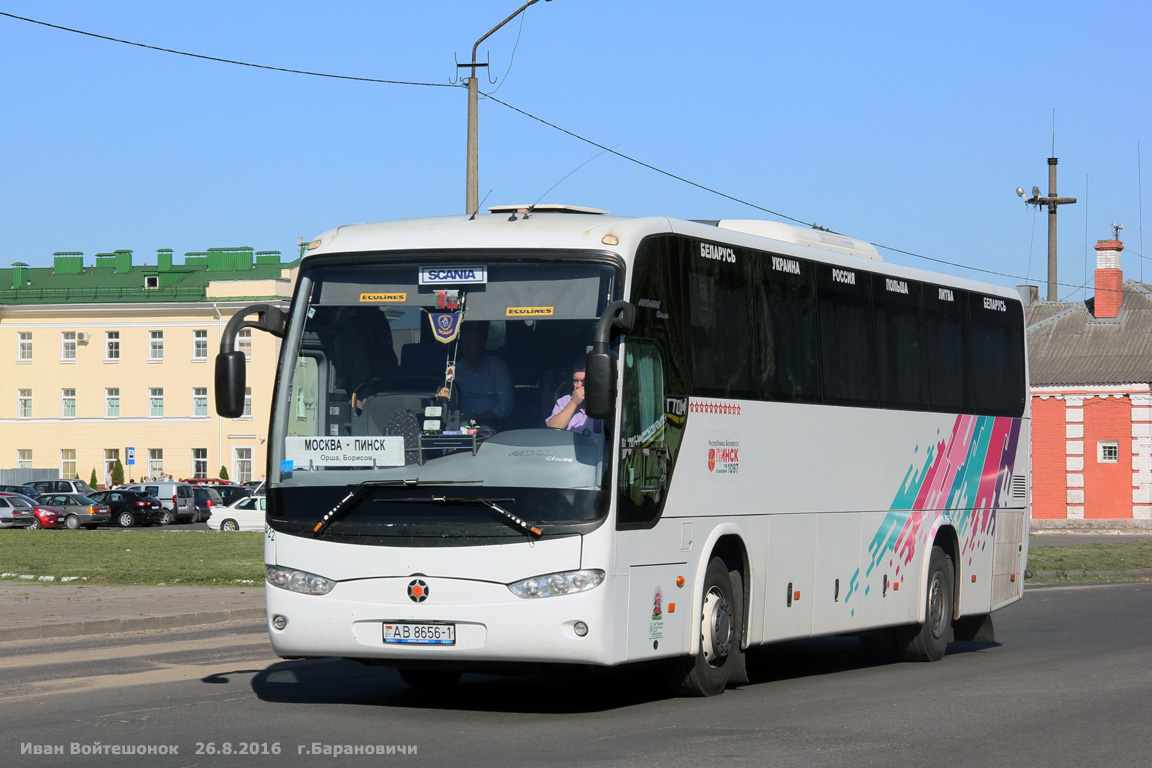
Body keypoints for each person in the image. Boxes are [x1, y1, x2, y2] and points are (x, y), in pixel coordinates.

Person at [453, 323, 513, 425]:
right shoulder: (455, 369)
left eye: (472, 343)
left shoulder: (497, 367)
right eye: (465, 344)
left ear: (482, 345)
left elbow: (506, 404)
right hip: (460, 423)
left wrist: (478, 418)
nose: (467, 348)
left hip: (492, 423)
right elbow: (446, 399)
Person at [547, 363, 599, 433]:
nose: (578, 386)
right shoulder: (564, 401)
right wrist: (574, 402)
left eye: (583, 381)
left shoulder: (603, 403)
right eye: (575, 381)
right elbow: (552, 429)